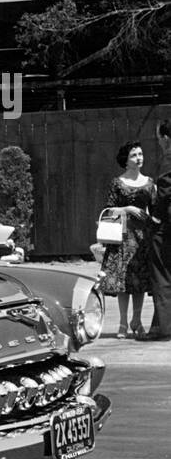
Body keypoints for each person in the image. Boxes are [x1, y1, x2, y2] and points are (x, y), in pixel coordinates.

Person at [98, 140, 155, 338]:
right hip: (123, 236)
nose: (139, 158)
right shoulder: (117, 183)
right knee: (123, 283)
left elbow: (154, 209)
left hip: (142, 238)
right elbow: (109, 208)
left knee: (139, 283)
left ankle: (137, 321)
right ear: (125, 160)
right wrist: (128, 209)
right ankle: (122, 323)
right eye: (134, 155)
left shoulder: (149, 182)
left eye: (140, 154)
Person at [140, 122, 171, 341]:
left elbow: (165, 189)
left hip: (167, 225)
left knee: (161, 274)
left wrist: (155, 215)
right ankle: (159, 324)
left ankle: (164, 327)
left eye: (159, 138)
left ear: (166, 138)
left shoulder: (169, 158)